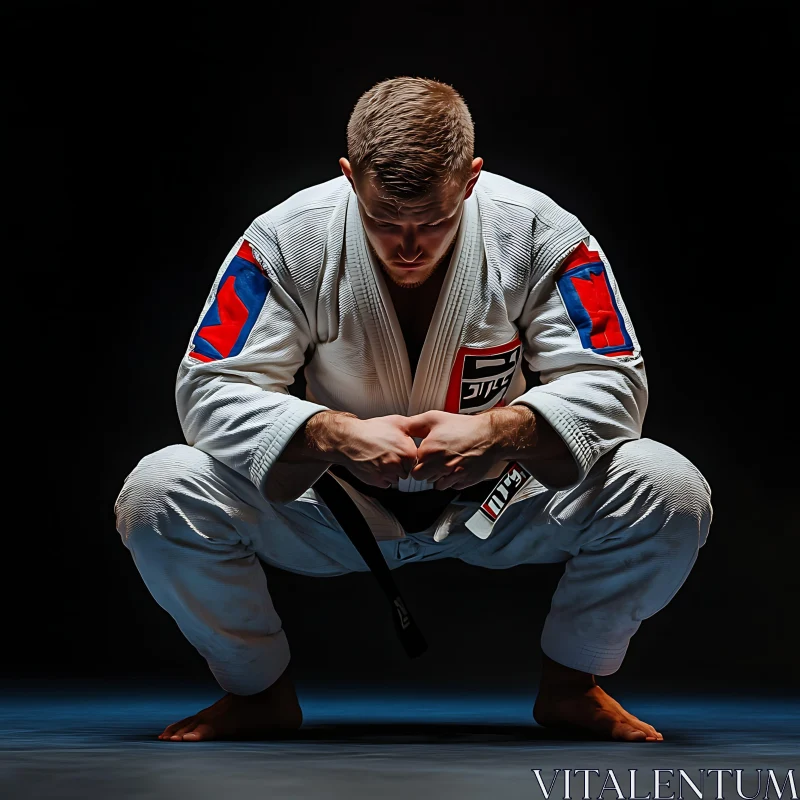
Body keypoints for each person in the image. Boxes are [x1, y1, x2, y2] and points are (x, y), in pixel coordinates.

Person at [114, 77, 712, 743]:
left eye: (432, 222)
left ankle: (574, 684)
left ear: (471, 179)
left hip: (499, 496)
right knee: (159, 491)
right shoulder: (284, 241)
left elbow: (615, 380)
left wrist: (500, 430)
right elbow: (206, 387)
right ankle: (257, 692)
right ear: (349, 177)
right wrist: (329, 432)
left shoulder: (545, 234)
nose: (407, 247)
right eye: (382, 221)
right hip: (335, 503)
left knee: (669, 488)